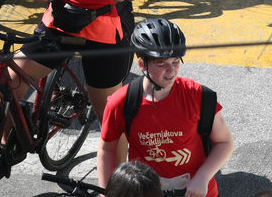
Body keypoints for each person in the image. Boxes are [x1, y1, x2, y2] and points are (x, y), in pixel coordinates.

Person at [99, 19, 233, 197]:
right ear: (141, 64)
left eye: (176, 61)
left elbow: (225, 143)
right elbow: (107, 149)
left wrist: (202, 177)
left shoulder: (198, 95)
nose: (171, 71)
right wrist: (106, 193)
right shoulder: (121, 102)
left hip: (196, 192)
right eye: (161, 64)